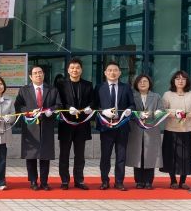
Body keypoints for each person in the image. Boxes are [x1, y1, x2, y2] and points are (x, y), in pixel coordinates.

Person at [14, 65, 62, 191]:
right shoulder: (24, 90)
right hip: (30, 126)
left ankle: (44, 182)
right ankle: (33, 181)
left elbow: (59, 104)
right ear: (30, 76)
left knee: (45, 155)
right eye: (35, 73)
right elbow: (18, 106)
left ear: (43, 74)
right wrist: (30, 111)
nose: (38, 75)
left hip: (47, 125)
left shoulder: (52, 89)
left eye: (40, 72)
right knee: (31, 155)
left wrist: (51, 110)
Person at [94, 61, 135, 191]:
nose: (113, 72)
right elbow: (94, 106)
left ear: (120, 72)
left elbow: (132, 104)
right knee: (105, 156)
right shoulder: (99, 87)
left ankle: (119, 182)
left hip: (122, 126)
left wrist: (129, 110)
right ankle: (104, 181)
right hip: (106, 127)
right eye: (110, 70)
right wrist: (103, 111)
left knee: (121, 156)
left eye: (115, 70)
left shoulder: (126, 87)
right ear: (105, 73)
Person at [56, 58, 95, 190]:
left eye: (77, 68)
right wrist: (68, 108)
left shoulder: (88, 85)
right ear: (68, 70)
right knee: (64, 154)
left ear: (81, 70)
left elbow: (93, 101)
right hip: (66, 124)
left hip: (82, 125)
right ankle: (65, 180)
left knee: (80, 155)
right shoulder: (61, 85)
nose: (75, 70)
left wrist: (90, 107)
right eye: (72, 68)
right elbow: (58, 102)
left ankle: (79, 180)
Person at [160, 70, 191, 189]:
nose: (180, 81)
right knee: (171, 155)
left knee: (186, 156)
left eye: (183, 79)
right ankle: (173, 180)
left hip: (188, 130)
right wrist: (176, 113)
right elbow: (163, 110)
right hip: (171, 129)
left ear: (187, 81)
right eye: (177, 78)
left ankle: (183, 181)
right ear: (173, 81)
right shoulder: (167, 94)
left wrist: (186, 114)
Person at [127, 75, 164, 189]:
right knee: (137, 154)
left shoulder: (156, 96)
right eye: (140, 82)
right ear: (136, 84)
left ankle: (149, 181)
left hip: (151, 129)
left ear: (149, 83)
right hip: (136, 129)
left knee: (150, 155)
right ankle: (139, 181)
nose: (142, 83)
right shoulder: (132, 96)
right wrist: (138, 114)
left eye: (145, 81)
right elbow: (128, 111)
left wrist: (156, 113)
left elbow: (161, 110)